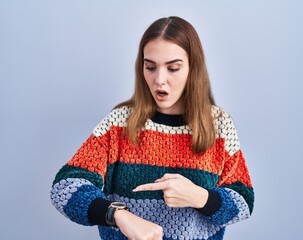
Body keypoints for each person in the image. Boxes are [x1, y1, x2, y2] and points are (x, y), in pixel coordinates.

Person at [50, 16, 254, 240]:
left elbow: (243, 201)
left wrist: (200, 197)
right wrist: (116, 214)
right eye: (150, 67)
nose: (159, 80)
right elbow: (65, 187)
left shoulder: (219, 126)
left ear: (192, 68)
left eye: (173, 68)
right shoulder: (119, 124)